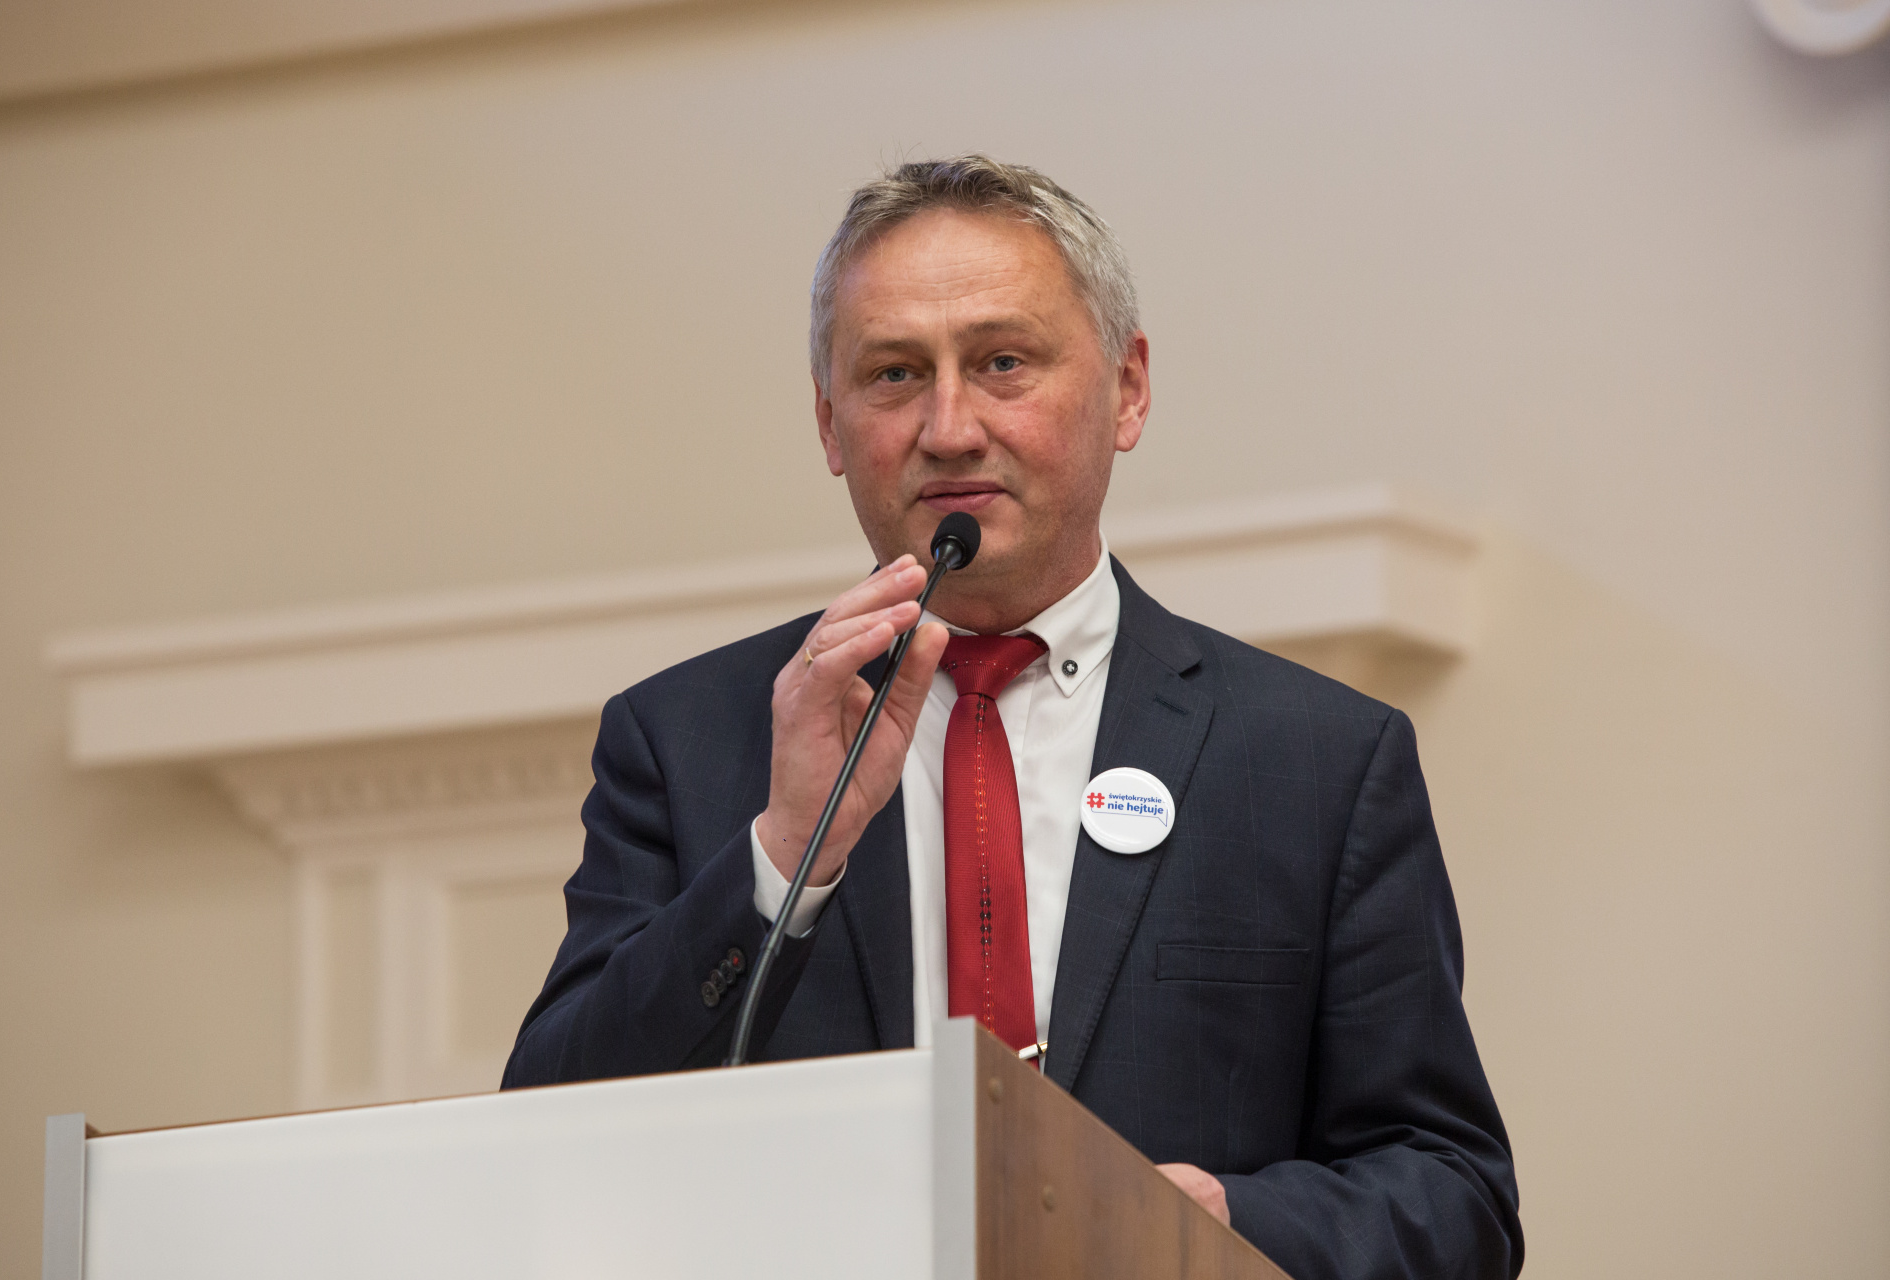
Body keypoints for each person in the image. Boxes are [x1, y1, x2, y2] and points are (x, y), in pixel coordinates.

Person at [503, 156, 1521, 1280]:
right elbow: (544, 1141)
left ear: (1128, 390)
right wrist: (784, 851)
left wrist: (1224, 1221)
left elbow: (1453, 1195)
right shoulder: (687, 740)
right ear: (831, 424)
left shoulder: (1318, 760)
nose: (949, 427)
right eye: (894, 373)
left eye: (1002, 362)